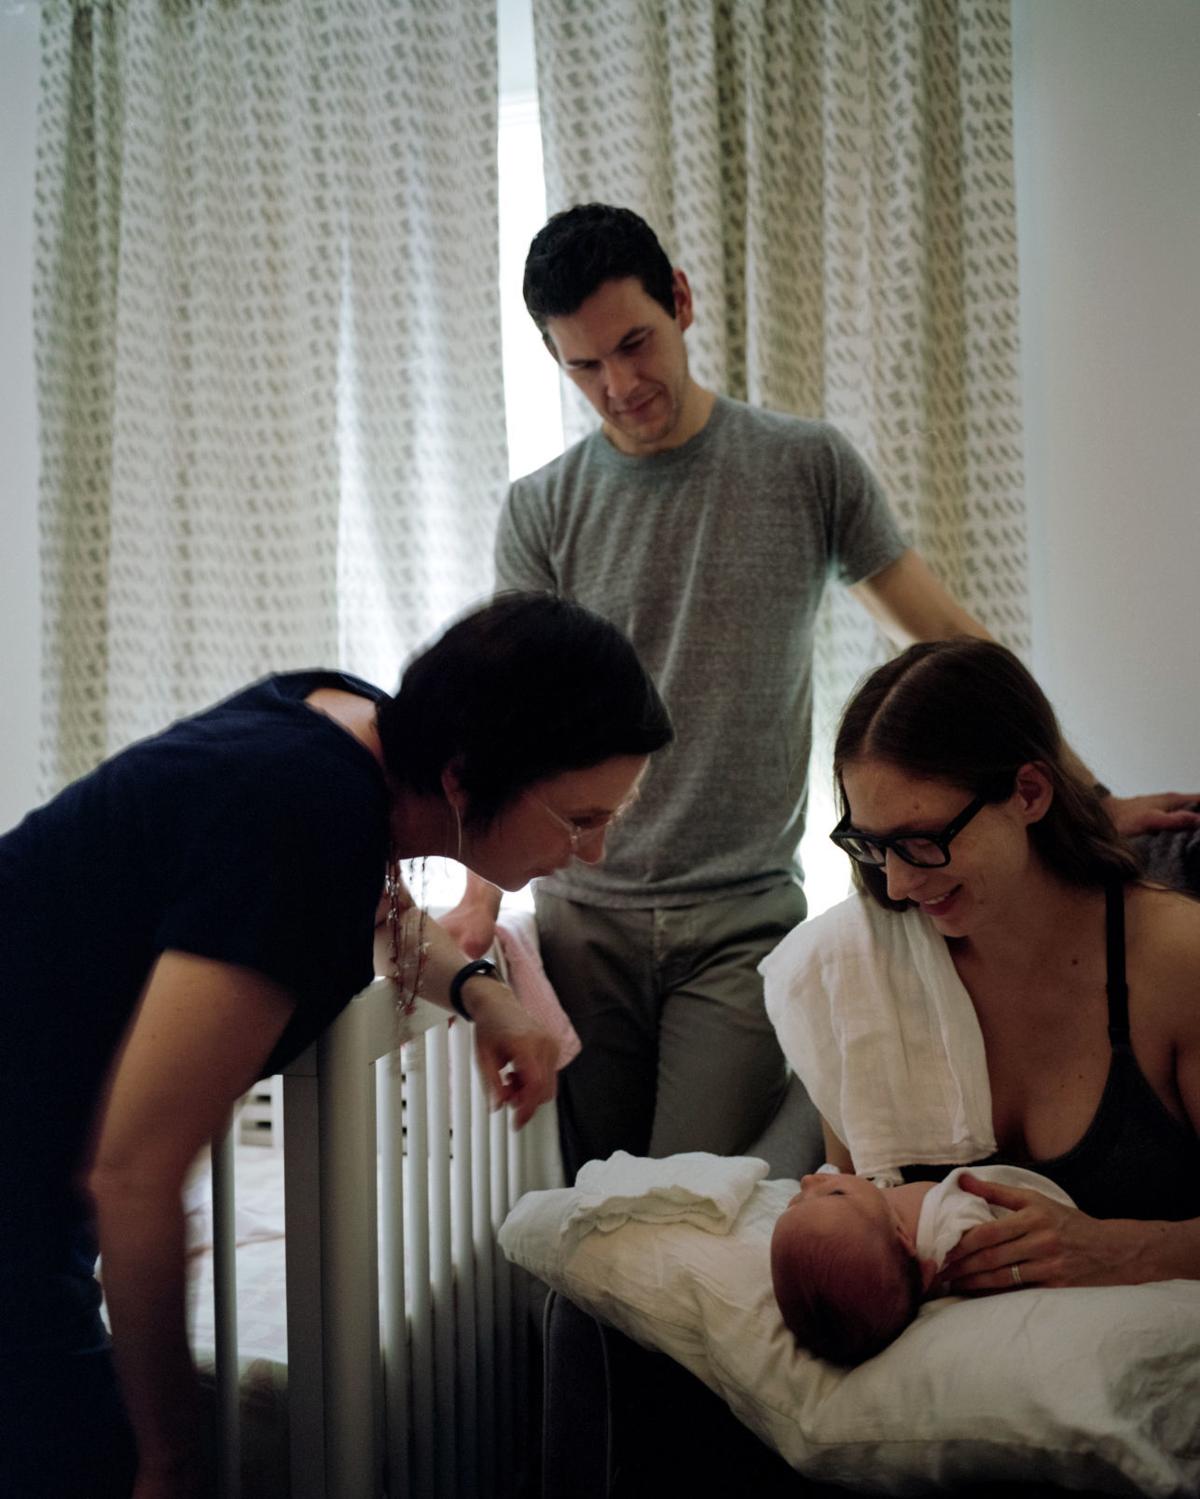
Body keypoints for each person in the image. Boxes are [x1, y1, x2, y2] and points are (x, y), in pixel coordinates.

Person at [441, 200, 1199, 1181]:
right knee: (601, 1206)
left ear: (681, 302)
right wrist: (477, 894)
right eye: (585, 365)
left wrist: (1084, 797)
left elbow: (952, 640)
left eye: (635, 344)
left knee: (684, 1197)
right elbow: (510, 723)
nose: (619, 385)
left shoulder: (804, 464)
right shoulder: (541, 508)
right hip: (586, 916)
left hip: (738, 909)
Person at [0, 591, 672, 1499]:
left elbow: (376, 901)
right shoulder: (305, 807)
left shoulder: (350, 728)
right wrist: (172, 1456)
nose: (593, 852)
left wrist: (482, 992)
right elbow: (133, 1174)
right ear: (465, 779)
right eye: (580, 818)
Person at [767, 637, 1200, 1299]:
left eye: (922, 841)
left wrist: (1117, 1250)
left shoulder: (1173, 958)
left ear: (1029, 793)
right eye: (871, 845)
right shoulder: (853, 968)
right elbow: (851, 1237)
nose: (899, 884)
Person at [770, 1164, 1075, 1365]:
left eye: (796, 1201)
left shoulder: (876, 1234)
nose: (807, 1180)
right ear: (903, 1238)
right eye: (836, 1193)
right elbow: (1006, 1254)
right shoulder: (953, 1235)